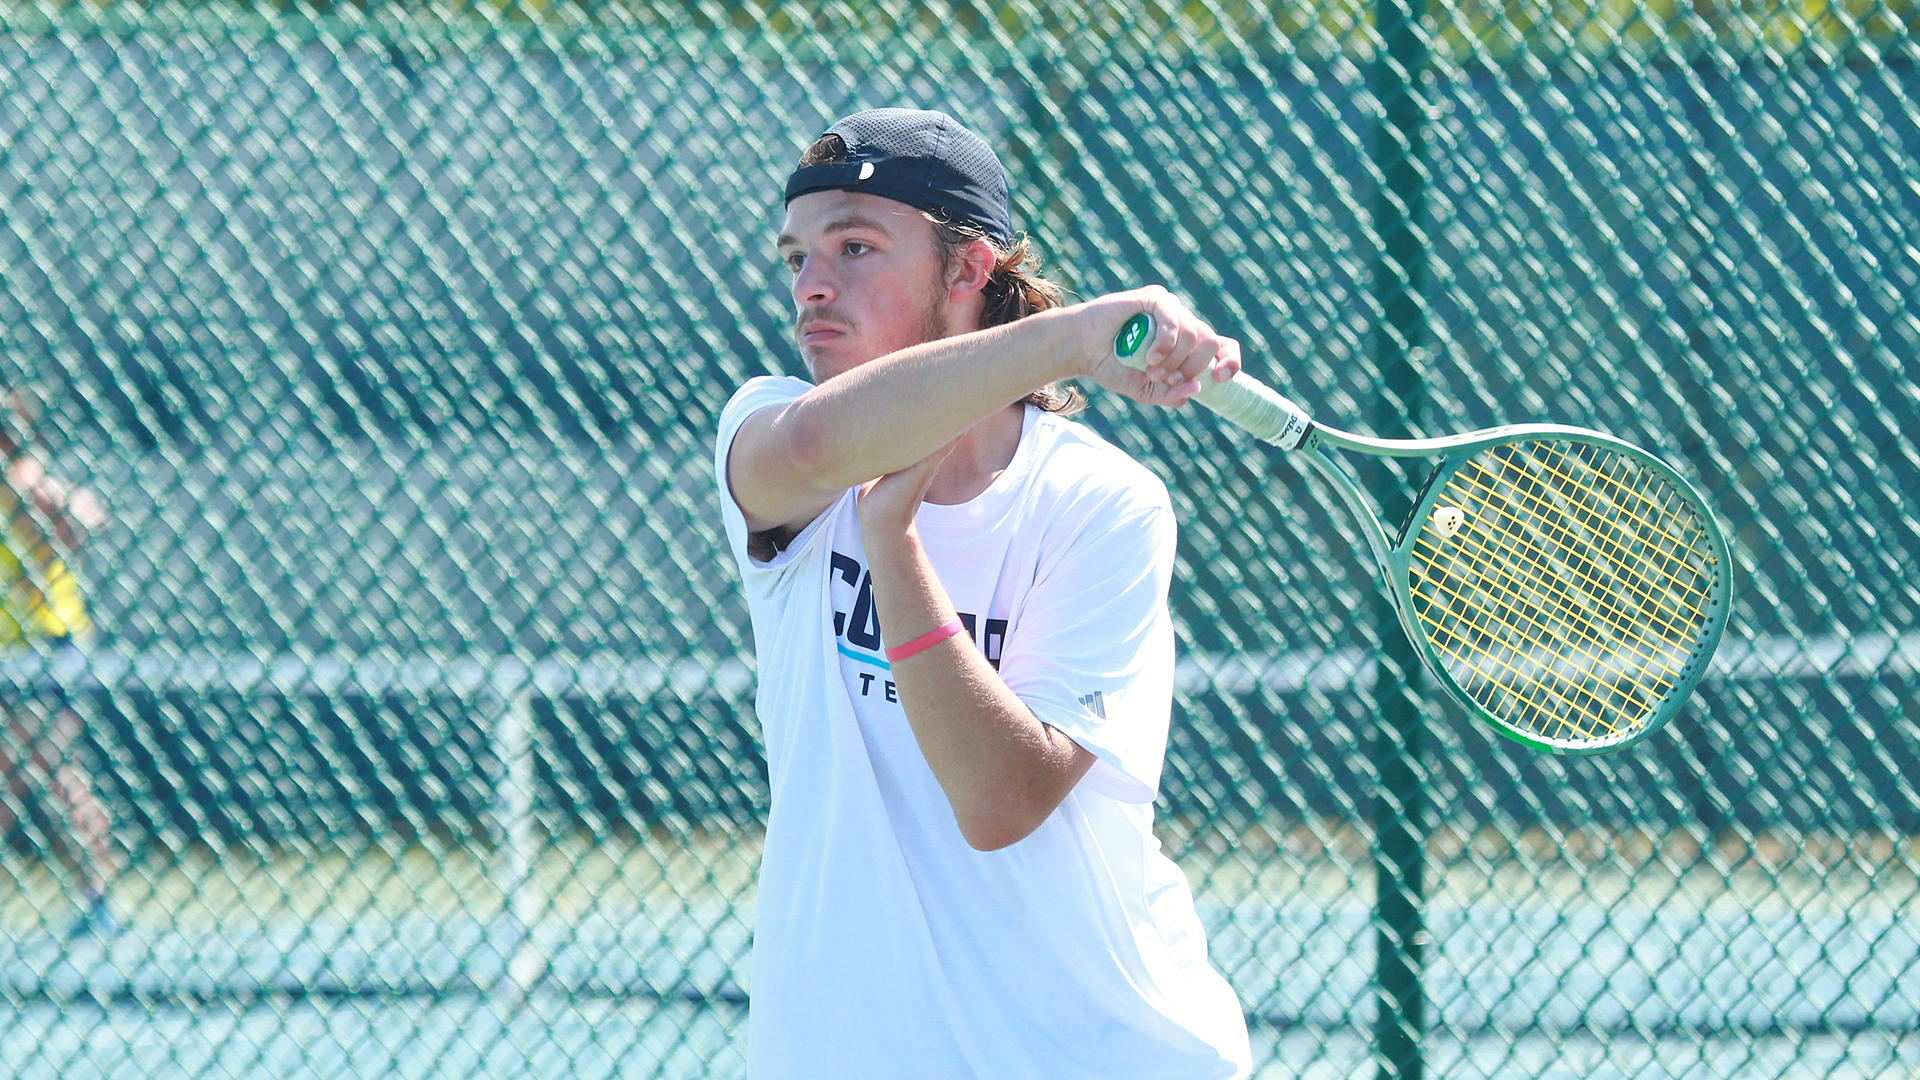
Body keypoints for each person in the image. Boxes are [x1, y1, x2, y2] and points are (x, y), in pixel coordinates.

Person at [714, 107, 1253, 1078]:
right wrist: (1075, 339)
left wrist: (893, 543)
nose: (813, 287)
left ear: (968, 271)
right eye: (797, 257)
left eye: (856, 246)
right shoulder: (771, 436)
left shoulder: (1104, 505)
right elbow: (816, 446)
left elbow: (1000, 799)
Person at [0, 388, 118, 936]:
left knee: (26, 770)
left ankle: (99, 898)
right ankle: (98, 897)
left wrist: (46, 551)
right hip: (17, 649)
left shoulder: (24, 480)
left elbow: (88, 516)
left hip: (47, 647)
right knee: (55, 773)